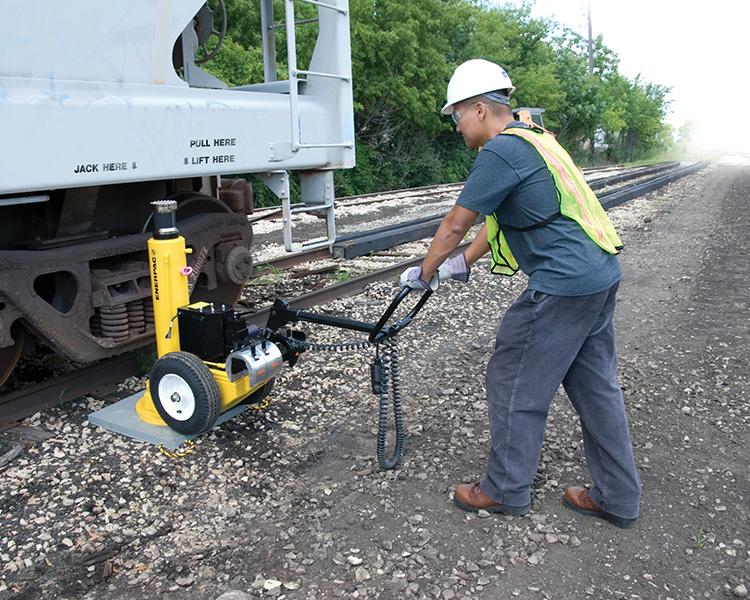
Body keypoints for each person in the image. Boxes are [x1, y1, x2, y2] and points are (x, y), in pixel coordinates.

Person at [400, 59, 641, 529]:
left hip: (562, 285)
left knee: (512, 380)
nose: (456, 126)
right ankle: (618, 496)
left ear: (481, 109)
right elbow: (507, 219)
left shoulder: (500, 152)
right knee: (596, 390)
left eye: (457, 116)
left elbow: (455, 223)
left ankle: (505, 488)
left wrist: (424, 272)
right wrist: (461, 264)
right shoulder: (536, 139)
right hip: (598, 274)